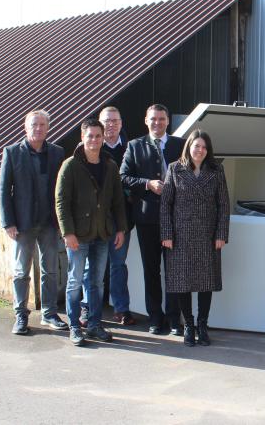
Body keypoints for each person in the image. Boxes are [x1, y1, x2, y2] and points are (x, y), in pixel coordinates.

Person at [55, 119, 127, 346]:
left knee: (97, 282)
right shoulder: (71, 165)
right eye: (90, 136)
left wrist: (121, 228)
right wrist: (68, 233)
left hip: (102, 234)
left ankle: (95, 325)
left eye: (98, 136)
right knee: (75, 281)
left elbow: (117, 201)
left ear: (103, 138)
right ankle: (75, 326)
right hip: (79, 235)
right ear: (82, 138)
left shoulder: (110, 165)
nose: (94, 140)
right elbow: (61, 202)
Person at [0, 109, 68, 335]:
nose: (38, 129)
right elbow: (3, 190)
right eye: (34, 125)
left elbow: (61, 189)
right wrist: (8, 222)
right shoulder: (12, 153)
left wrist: (62, 221)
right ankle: (21, 314)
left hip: (49, 222)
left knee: (51, 271)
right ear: (25, 127)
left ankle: (49, 313)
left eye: (42, 125)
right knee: (21, 271)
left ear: (48, 128)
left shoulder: (57, 153)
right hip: (23, 223)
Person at [160, 129, 230, 347]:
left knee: (205, 282)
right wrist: (167, 234)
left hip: (208, 236)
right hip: (180, 236)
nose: (199, 150)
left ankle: (202, 325)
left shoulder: (216, 170)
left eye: (204, 147)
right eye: (196, 145)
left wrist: (221, 235)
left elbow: (224, 205)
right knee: (183, 283)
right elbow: (165, 205)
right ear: (189, 146)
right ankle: (188, 325)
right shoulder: (174, 168)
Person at [120, 104, 184, 335]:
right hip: (147, 219)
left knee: (175, 271)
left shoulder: (180, 144)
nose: (157, 123)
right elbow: (123, 177)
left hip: (175, 220)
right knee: (151, 271)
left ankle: (175, 320)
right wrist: (148, 184)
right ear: (146, 121)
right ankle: (156, 319)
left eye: (161, 119)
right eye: (153, 119)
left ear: (168, 121)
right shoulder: (134, 146)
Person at [78, 106, 136, 326]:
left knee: (118, 265)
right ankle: (87, 308)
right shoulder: (87, 150)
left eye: (115, 121)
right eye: (106, 121)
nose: (111, 125)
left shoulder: (132, 148)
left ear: (121, 124)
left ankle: (121, 309)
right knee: (89, 267)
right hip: (93, 221)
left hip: (121, 220)